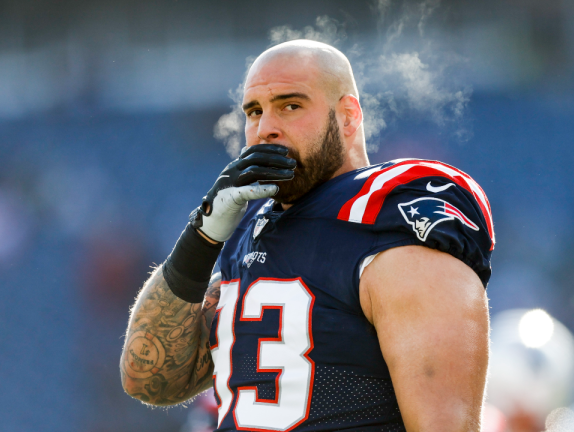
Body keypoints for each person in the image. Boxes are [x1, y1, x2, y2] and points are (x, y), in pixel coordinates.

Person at [120, 39, 495, 432]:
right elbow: (149, 378)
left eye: (290, 106)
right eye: (254, 112)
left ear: (348, 117)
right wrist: (201, 235)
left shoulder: (386, 222)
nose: (266, 128)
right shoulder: (252, 233)